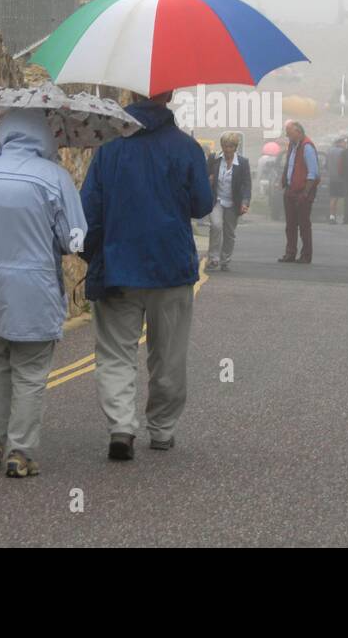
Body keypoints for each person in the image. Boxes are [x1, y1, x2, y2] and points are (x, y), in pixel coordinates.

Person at [0, 108, 87, 478]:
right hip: (36, 288)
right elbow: (74, 238)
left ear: (3, 134)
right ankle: (20, 452)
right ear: (45, 137)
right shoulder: (56, 177)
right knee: (29, 371)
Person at [80, 92, 215, 460]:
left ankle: (121, 427)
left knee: (115, 353)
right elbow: (202, 204)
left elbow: (89, 209)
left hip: (118, 267)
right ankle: (162, 428)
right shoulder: (187, 148)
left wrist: (89, 254)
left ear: (131, 94)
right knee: (168, 355)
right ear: (170, 95)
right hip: (171, 267)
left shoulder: (109, 147)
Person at [205, 132, 251, 272]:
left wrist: (245, 202)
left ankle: (225, 260)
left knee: (229, 232)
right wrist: (208, 180)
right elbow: (204, 175)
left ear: (235, 147)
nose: (227, 149)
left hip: (233, 202)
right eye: (224, 146)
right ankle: (213, 258)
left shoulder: (243, 163)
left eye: (230, 146)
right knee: (216, 226)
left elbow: (246, 184)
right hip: (216, 200)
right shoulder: (214, 159)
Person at [278, 119, 319, 264]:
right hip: (290, 190)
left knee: (304, 225)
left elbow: (313, 173)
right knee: (290, 225)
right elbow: (289, 165)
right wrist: (284, 181)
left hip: (302, 191)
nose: (287, 136)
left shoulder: (307, 146)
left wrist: (306, 193)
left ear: (298, 132)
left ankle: (306, 255)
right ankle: (290, 253)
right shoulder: (293, 145)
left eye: (289, 133)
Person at [326, 136, 347, 224]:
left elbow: (326, 165)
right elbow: (345, 165)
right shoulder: (343, 152)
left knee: (333, 198)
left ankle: (332, 217)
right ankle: (344, 217)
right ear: (340, 142)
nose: (345, 144)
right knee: (342, 198)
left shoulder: (329, 151)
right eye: (344, 142)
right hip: (341, 178)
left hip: (331, 178)